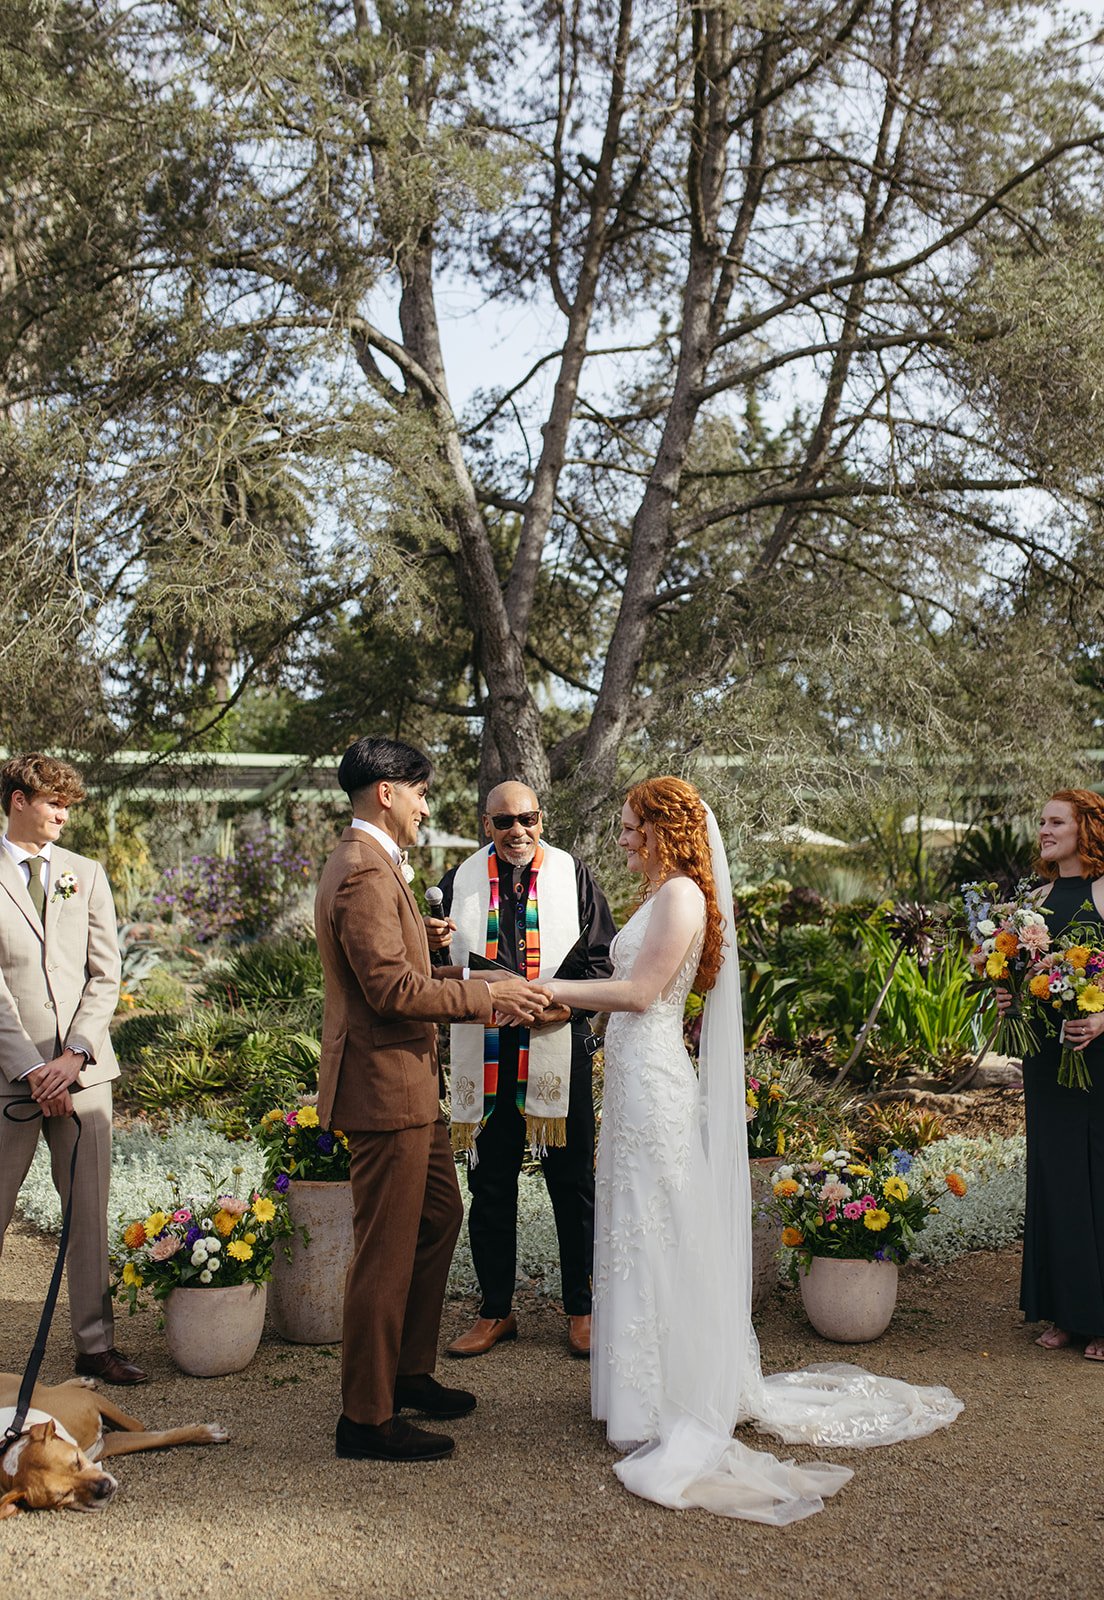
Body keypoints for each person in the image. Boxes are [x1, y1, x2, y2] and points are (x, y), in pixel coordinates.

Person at [544, 776, 961, 1522]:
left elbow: (641, 995)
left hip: (656, 1084)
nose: (622, 838)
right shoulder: (662, 894)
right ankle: (640, 1389)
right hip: (637, 1082)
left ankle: (668, 1396)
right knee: (639, 1226)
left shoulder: (679, 899)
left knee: (660, 1227)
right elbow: (626, 988)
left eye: (630, 826)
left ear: (663, 828)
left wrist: (546, 988)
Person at [314, 737, 548, 1464]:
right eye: (418, 791)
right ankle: (366, 1417)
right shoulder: (361, 870)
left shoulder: (373, 865)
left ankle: (408, 1371)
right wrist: (488, 993)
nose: (424, 804)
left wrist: (424, 936)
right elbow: (387, 993)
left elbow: (390, 964)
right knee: (384, 1251)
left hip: (410, 1084)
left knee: (439, 1217)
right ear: (386, 792)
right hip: (383, 1088)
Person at [431, 782, 616, 1359]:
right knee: (489, 1184)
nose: (518, 831)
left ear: (542, 819)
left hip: (557, 1039)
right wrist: (429, 943)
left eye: (528, 819)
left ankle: (581, 1310)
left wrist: (569, 1005)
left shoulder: (573, 875)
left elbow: (602, 958)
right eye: (504, 821)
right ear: (487, 824)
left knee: (572, 1184)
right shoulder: (457, 882)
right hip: (483, 1047)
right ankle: (495, 1310)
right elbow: (438, 968)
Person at [0, 753, 145, 1386]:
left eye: (68, 804)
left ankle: (95, 1345)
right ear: (16, 801)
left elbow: (105, 974)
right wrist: (32, 1068)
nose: (63, 814)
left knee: (88, 1211)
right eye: (52, 802)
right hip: (9, 1077)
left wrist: (73, 1056)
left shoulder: (85, 874)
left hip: (83, 1076)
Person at [1001, 789, 1104, 1359]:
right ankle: (1066, 1311)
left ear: (1086, 828)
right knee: (1055, 1173)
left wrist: (1102, 1017)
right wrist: (1004, 994)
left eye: (1056, 821)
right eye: (1041, 821)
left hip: (1098, 1055)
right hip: (1048, 1056)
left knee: (1097, 1177)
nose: (1044, 829)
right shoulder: (1034, 898)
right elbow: (1019, 975)